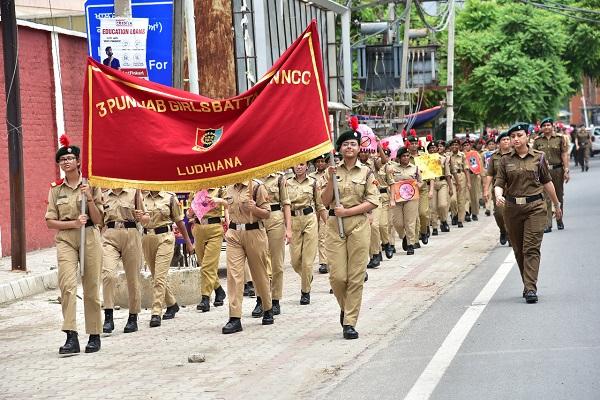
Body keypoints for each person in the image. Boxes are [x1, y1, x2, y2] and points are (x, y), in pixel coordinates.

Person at [45, 135, 104, 354]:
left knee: (90, 288)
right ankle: (71, 336)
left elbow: (99, 220)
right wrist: (72, 222)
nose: (66, 162)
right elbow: (50, 221)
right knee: (67, 286)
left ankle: (94, 334)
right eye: (63, 160)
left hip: (89, 237)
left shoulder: (91, 185)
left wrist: (88, 198)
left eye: (70, 158)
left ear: (78, 162)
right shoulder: (56, 190)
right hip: (66, 240)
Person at [494, 123, 562, 304]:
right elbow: (499, 182)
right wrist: (498, 195)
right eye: (513, 136)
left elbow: (547, 182)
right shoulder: (505, 160)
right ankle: (527, 282)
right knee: (518, 250)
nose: (516, 139)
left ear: (527, 137)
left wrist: (556, 204)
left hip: (536, 208)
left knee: (531, 248)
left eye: (519, 135)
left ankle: (530, 288)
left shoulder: (539, 157)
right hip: (512, 209)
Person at [321, 128, 379, 339]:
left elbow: (373, 201)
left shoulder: (367, 172)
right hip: (335, 225)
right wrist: (330, 180)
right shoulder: (332, 171)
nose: (349, 147)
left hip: (358, 225)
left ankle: (350, 322)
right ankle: (345, 308)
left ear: (358, 148)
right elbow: (324, 201)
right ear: (339, 148)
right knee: (337, 277)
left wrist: (348, 211)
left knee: (355, 277)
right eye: (345, 144)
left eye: (353, 144)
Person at [222, 180, 274, 334]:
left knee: (259, 274)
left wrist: (255, 209)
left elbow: (267, 213)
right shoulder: (229, 187)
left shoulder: (257, 186)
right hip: (234, 233)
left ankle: (267, 307)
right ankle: (235, 317)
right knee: (234, 275)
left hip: (254, 232)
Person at [142, 191, 193, 327]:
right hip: (147, 238)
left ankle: (156, 311)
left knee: (159, 277)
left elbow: (179, 221)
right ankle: (172, 304)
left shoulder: (170, 197)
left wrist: (188, 242)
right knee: (156, 276)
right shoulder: (141, 198)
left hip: (165, 238)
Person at [100, 188, 143, 334]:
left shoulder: (134, 192)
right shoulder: (104, 194)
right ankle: (108, 316)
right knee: (108, 275)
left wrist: (141, 216)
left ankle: (133, 316)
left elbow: (145, 219)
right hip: (109, 235)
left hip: (131, 234)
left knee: (132, 279)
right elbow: (99, 220)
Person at [287, 162, 325, 304]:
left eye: (302, 164)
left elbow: (320, 204)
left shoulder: (314, 183)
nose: (298, 167)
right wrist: (287, 226)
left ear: (307, 166)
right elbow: (284, 205)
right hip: (293, 220)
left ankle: (305, 292)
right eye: (296, 165)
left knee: (307, 261)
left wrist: (327, 224)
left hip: (310, 219)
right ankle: (306, 276)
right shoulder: (286, 183)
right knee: (295, 261)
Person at [187, 188, 229, 313]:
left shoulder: (220, 189)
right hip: (198, 229)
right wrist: (190, 213)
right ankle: (219, 290)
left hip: (215, 229)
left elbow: (228, 204)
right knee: (202, 263)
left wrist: (219, 200)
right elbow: (189, 212)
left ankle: (205, 298)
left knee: (208, 265)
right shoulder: (195, 191)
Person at [261, 172, 291, 315]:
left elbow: (286, 204)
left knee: (277, 262)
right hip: (258, 219)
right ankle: (262, 299)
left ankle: (275, 299)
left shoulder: (279, 178)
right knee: (259, 261)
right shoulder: (251, 177)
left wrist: (288, 228)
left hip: (275, 219)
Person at [532, 118, 569, 232]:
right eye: (544, 125)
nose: (547, 127)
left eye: (549, 125)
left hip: (557, 170)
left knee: (558, 195)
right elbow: (534, 156)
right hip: (543, 172)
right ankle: (548, 224)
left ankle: (559, 219)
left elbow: (564, 154)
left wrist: (566, 169)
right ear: (541, 128)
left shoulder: (559, 138)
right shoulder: (537, 141)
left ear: (552, 126)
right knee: (545, 197)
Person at [387, 147, 422, 255]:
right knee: (398, 223)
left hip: (411, 198)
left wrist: (417, 185)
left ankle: (410, 244)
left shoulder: (415, 168)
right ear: (399, 158)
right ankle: (404, 236)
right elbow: (389, 181)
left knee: (410, 221)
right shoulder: (392, 168)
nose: (406, 158)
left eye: (407, 156)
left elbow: (421, 182)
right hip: (397, 198)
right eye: (403, 156)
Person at [483, 132, 512, 245]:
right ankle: (503, 230)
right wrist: (485, 190)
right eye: (503, 140)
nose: (506, 141)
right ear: (499, 143)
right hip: (498, 189)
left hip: (513, 189)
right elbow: (490, 174)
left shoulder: (515, 154)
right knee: (499, 213)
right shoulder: (494, 157)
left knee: (511, 213)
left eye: (507, 139)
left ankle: (510, 235)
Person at [309, 154, 330, 274]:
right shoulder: (311, 177)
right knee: (313, 234)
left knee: (323, 234)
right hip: (313, 208)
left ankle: (323, 262)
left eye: (323, 161)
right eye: (318, 162)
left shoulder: (329, 175)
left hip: (324, 207)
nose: (320, 163)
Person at [429, 141, 452, 236]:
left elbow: (447, 174)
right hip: (430, 184)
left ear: (437, 149)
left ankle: (443, 220)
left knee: (442, 205)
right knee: (433, 207)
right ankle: (434, 227)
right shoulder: (425, 160)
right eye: (430, 148)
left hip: (442, 182)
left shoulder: (443, 159)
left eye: (434, 148)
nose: (432, 149)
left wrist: (451, 187)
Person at [449, 139, 470, 228]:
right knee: (453, 199)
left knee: (461, 199)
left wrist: (469, 182)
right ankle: (454, 214)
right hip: (451, 177)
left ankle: (460, 219)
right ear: (450, 147)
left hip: (461, 176)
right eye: (453, 145)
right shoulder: (448, 156)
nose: (454, 147)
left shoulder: (462, 155)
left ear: (459, 146)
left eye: (456, 145)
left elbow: (466, 169)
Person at [463, 139, 483, 221]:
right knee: (466, 196)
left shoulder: (475, 153)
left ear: (470, 146)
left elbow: (479, 164)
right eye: (464, 145)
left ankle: (474, 213)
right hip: (464, 176)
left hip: (474, 175)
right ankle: (467, 212)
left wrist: (479, 173)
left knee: (474, 196)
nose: (466, 147)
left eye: (467, 145)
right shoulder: (461, 154)